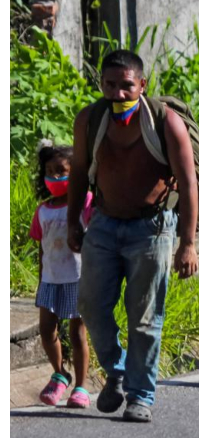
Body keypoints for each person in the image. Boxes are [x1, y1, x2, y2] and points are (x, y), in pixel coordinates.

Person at [67, 50, 199, 422]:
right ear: (101, 85)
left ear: (142, 85)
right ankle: (119, 369)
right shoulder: (90, 120)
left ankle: (141, 396)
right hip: (104, 225)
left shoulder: (165, 123)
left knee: (144, 318)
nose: (118, 93)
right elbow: (79, 171)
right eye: (110, 84)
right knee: (90, 304)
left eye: (127, 85)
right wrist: (73, 221)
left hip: (152, 229)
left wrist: (187, 243)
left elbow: (188, 184)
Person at [31, 141, 93, 408]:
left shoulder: (85, 204)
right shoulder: (42, 211)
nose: (55, 177)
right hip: (50, 280)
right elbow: (42, 251)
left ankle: (80, 386)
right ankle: (60, 373)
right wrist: (40, 280)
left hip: (77, 278)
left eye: (61, 170)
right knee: (47, 331)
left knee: (78, 333)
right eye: (49, 171)